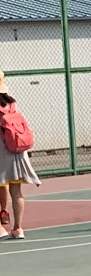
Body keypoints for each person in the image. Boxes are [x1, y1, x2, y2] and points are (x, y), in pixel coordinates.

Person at [0, 82, 40, 240]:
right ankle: (18, 228)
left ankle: (1, 228)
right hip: (18, 153)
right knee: (16, 191)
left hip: (2, 153)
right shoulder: (12, 104)